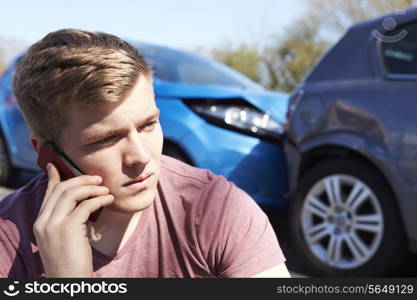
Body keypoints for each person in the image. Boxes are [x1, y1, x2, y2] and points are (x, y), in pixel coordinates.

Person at [0, 29, 290, 278]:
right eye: (107, 139)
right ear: (47, 153)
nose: (140, 156)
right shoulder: (9, 239)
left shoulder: (216, 207)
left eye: (148, 124)